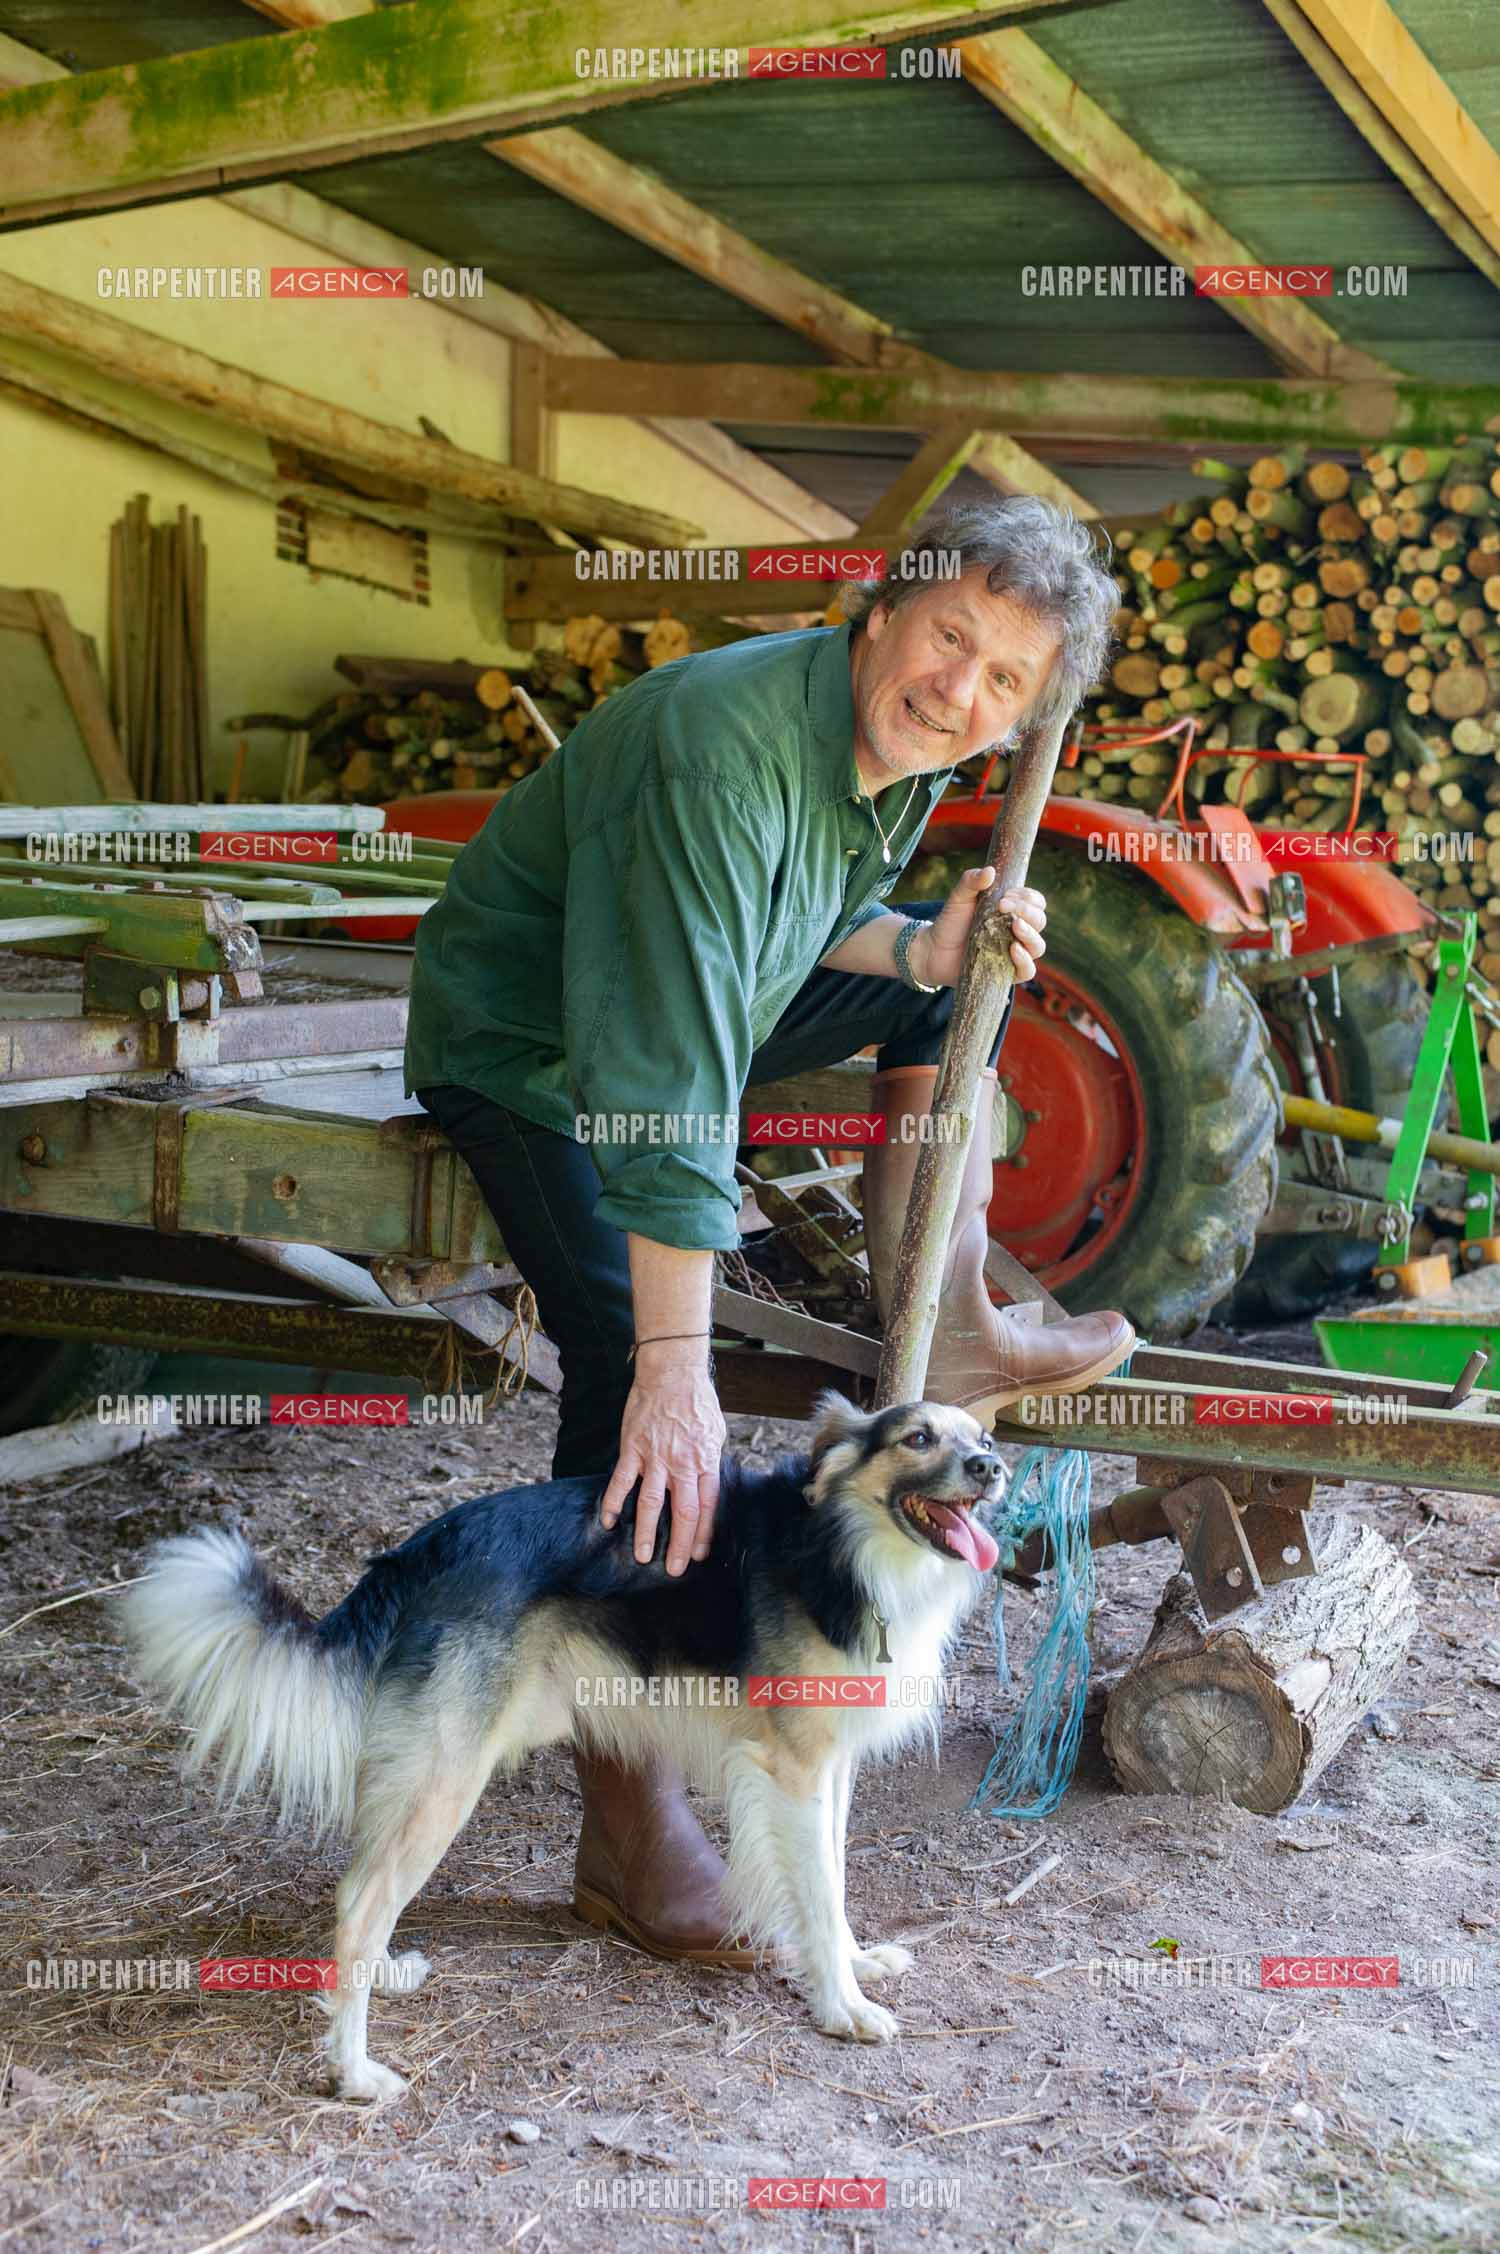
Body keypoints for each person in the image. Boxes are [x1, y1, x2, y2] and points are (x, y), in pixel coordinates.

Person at [404, 496, 1132, 1963]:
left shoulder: (885, 750)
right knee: (621, 1338)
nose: (962, 693)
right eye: (950, 641)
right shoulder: (721, 745)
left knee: (954, 968)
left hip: (686, 998)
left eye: (1006, 683)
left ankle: (952, 1315)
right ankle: (626, 1818)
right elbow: (658, 1069)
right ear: (880, 609)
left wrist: (921, 944)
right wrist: (679, 1357)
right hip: (534, 1039)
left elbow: (801, 916)